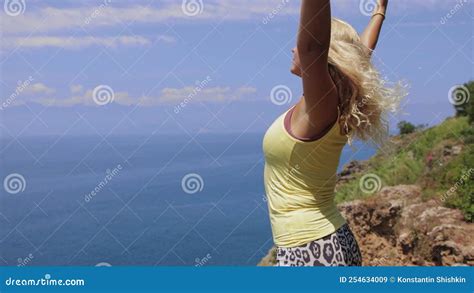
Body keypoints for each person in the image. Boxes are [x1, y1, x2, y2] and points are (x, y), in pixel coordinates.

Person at [262, 0, 405, 266]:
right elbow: (362, 55)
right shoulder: (335, 101)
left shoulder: (322, 106)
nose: (294, 48)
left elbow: (312, 46)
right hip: (322, 243)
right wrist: (379, 10)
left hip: (310, 249)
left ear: (328, 53)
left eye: (300, 42)